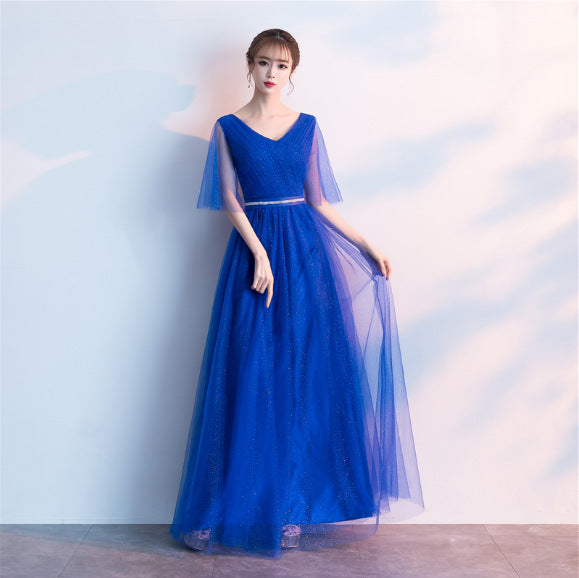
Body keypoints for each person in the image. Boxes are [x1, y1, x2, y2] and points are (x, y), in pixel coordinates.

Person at [169, 28, 424, 559]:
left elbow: (318, 202)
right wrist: (259, 253)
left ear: (292, 72)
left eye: (281, 65)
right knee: (250, 375)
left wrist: (367, 244)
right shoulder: (228, 127)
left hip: (307, 258)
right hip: (255, 261)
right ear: (249, 66)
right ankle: (232, 509)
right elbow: (229, 199)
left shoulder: (307, 126)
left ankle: (294, 508)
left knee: (303, 377)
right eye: (263, 62)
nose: (271, 73)